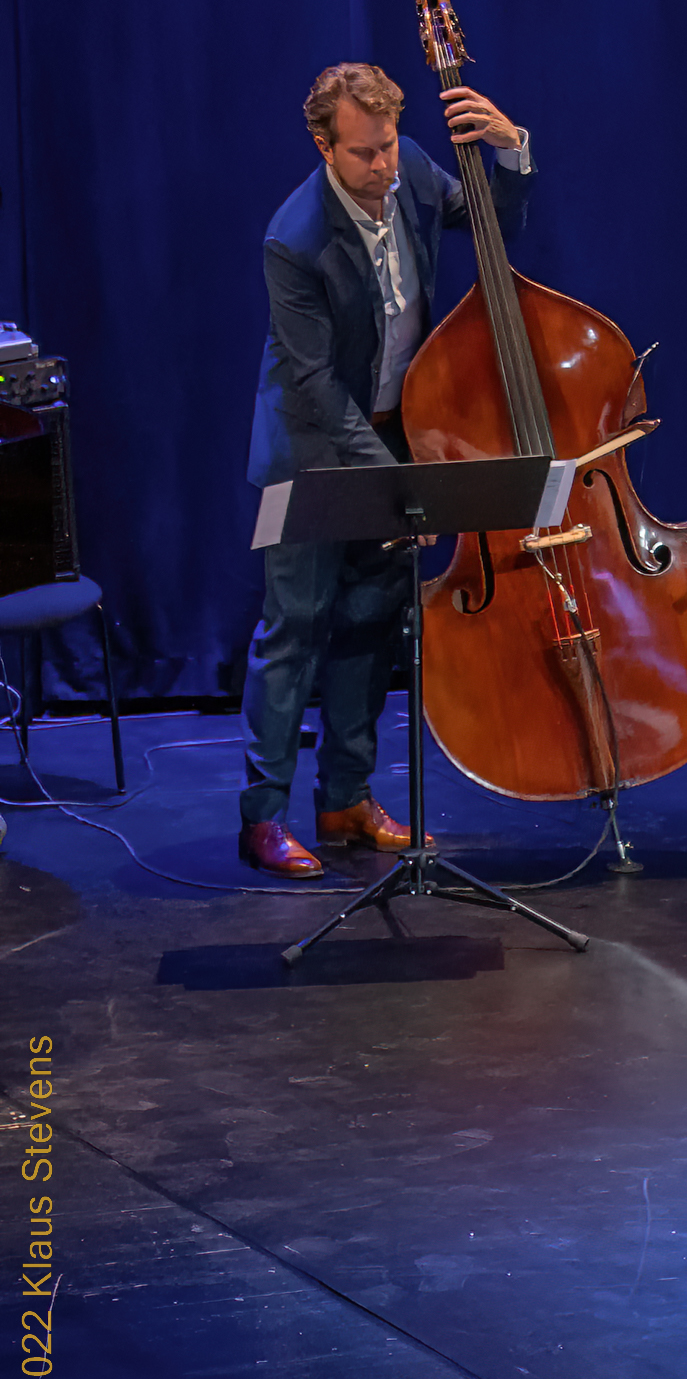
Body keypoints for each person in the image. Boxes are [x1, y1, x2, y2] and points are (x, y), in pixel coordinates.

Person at [235, 63, 535, 878]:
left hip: (390, 437)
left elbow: (491, 227)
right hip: (309, 455)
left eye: (390, 145)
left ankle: (346, 799)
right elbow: (315, 388)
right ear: (324, 146)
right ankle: (262, 817)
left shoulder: (413, 172)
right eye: (364, 153)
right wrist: (397, 485)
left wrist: (510, 150)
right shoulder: (293, 239)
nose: (383, 166)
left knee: (372, 624)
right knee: (294, 631)